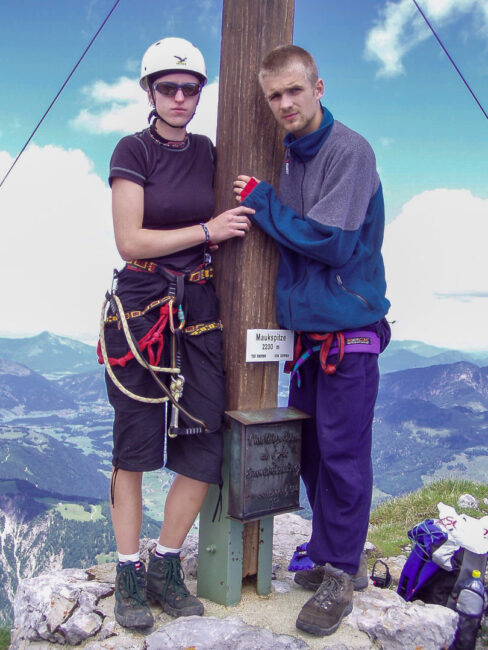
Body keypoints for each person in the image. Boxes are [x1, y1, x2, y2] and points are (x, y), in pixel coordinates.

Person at [233, 45, 391, 637]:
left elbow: (332, 242)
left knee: (344, 457)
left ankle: (341, 576)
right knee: (315, 456)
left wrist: (264, 201)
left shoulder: (349, 151)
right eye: (274, 96)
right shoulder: (294, 156)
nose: (285, 104)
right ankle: (330, 555)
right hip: (310, 339)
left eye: (294, 90)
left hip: (347, 337)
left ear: (318, 86)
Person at [99, 37, 254, 629]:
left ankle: (166, 564)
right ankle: (128, 573)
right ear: (150, 91)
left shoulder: (209, 150)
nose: (182, 97)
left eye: (191, 89)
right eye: (169, 88)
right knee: (133, 448)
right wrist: (208, 229)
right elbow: (130, 241)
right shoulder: (133, 150)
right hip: (141, 307)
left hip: (197, 306)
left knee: (202, 444)